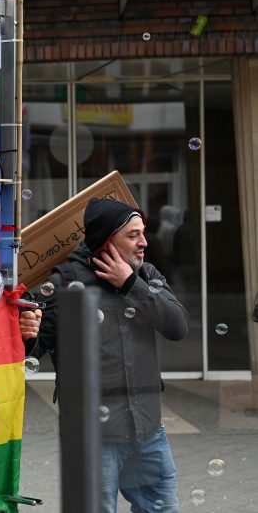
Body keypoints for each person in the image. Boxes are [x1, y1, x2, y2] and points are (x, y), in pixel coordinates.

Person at [28, 198, 189, 513]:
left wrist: (130, 284)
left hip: (147, 429)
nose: (144, 242)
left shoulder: (145, 275)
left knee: (163, 509)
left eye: (142, 233)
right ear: (106, 239)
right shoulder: (64, 283)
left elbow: (178, 326)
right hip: (93, 435)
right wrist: (26, 332)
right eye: (133, 235)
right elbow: (29, 353)